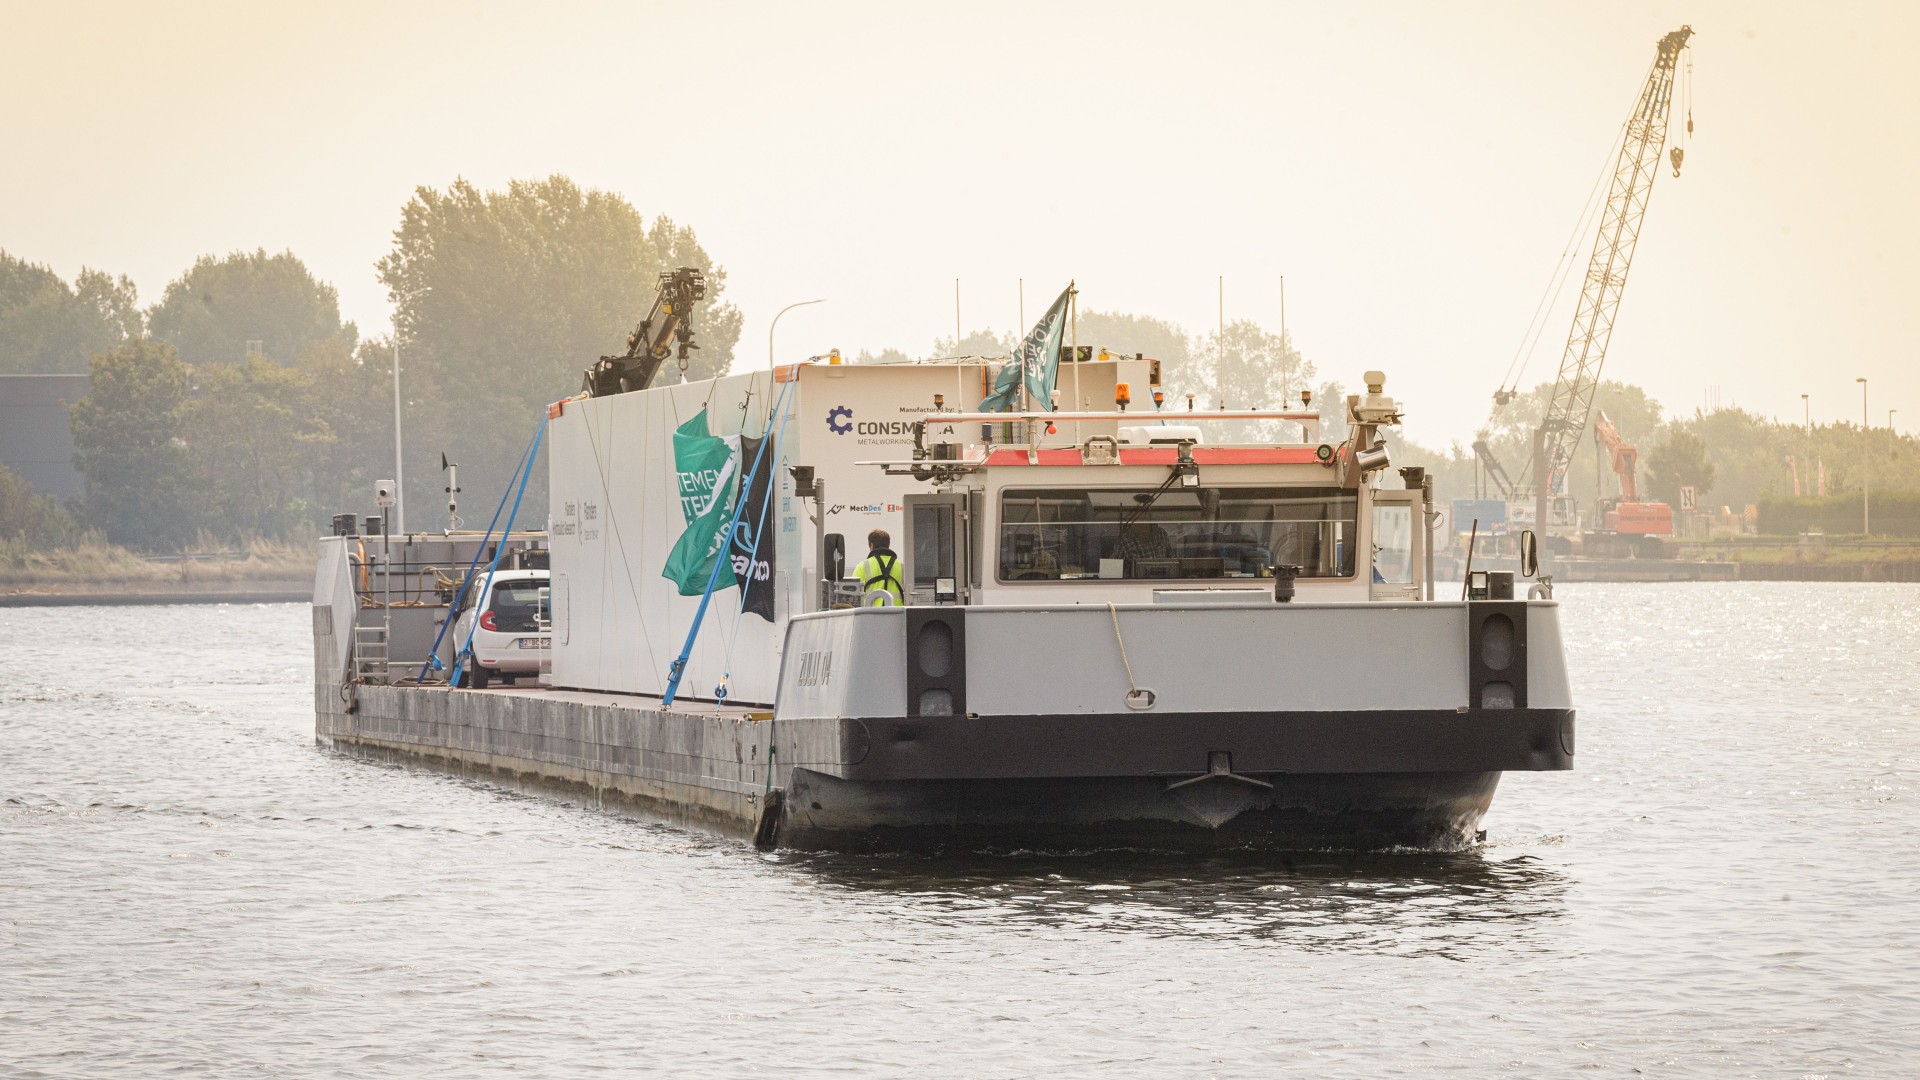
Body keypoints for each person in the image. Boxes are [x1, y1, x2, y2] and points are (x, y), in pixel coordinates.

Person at [854, 528, 904, 605]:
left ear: (871, 545)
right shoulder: (902, 567)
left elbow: (854, 595)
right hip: (897, 614)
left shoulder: (862, 566)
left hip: (871, 614)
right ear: (888, 545)